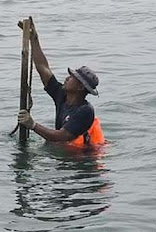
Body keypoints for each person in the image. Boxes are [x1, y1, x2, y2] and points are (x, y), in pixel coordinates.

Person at [17, 19, 105, 147]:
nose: (67, 78)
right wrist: (34, 39)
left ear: (80, 87)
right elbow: (43, 69)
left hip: (81, 156)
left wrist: (33, 125)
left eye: (72, 77)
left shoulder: (85, 111)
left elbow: (62, 137)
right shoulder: (62, 95)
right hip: (63, 150)